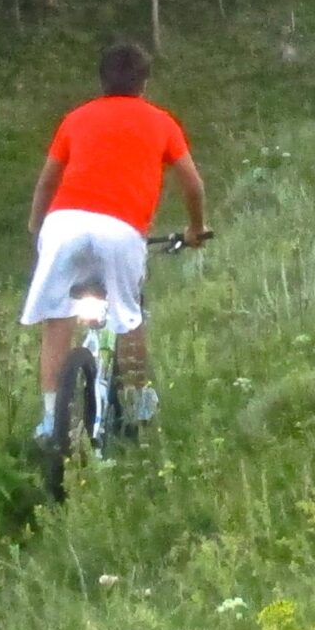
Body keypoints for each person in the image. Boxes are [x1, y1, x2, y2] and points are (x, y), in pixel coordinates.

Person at [21, 42, 209, 442]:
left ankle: (52, 422)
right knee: (127, 317)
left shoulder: (75, 119)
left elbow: (47, 181)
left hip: (64, 224)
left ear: (101, 80)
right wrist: (195, 229)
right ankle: (139, 408)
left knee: (57, 320)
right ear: (145, 82)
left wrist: (38, 229)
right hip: (121, 231)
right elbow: (192, 184)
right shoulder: (162, 122)